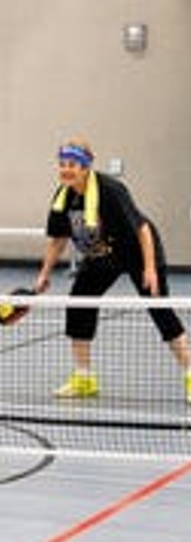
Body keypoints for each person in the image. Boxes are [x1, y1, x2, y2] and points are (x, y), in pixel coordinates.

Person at [33, 137, 191, 402]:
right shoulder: (64, 197)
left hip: (137, 251)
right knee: (79, 303)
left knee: (159, 307)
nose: (66, 169)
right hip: (102, 254)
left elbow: (141, 228)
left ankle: (190, 371)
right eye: (62, 164)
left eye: (72, 164)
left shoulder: (111, 190)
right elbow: (58, 239)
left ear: (85, 167)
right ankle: (84, 379)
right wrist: (44, 274)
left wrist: (150, 269)